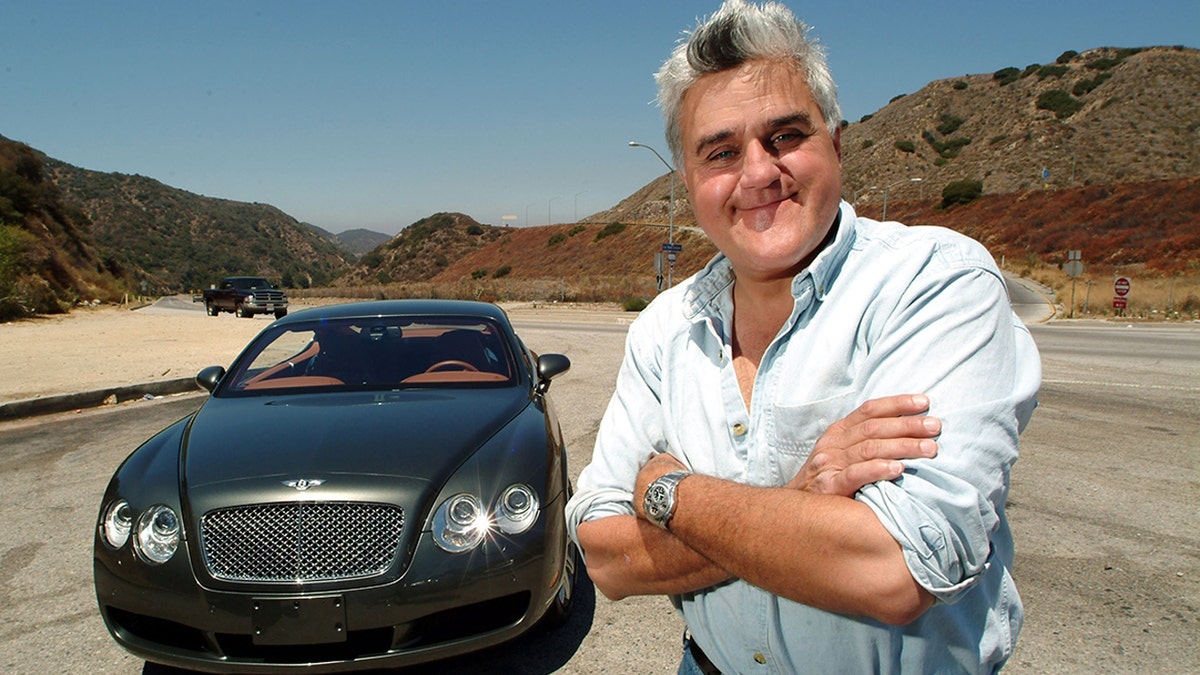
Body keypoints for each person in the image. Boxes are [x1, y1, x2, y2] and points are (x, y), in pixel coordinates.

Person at [564, 1, 1042, 673]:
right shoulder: (663, 330)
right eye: (722, 151)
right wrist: (801, 502)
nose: (758, 173)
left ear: (836, 144)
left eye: (785, 136)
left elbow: (898, 568)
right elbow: (607, 557)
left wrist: (670, 494)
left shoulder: (935, 282)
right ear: (691, 182)